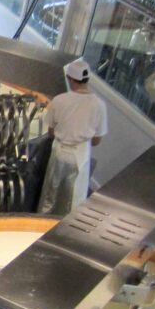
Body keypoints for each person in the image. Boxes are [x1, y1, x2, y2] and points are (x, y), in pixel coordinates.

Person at [38, 59, 108, 215]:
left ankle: (40, 226)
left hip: (59, 152)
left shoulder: (59, 100)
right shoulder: (99, 105)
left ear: (70, 79)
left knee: (50, 194)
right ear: (87, 80)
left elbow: (50, 132)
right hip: (80, 156)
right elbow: (97, 140)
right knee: (74, 199)